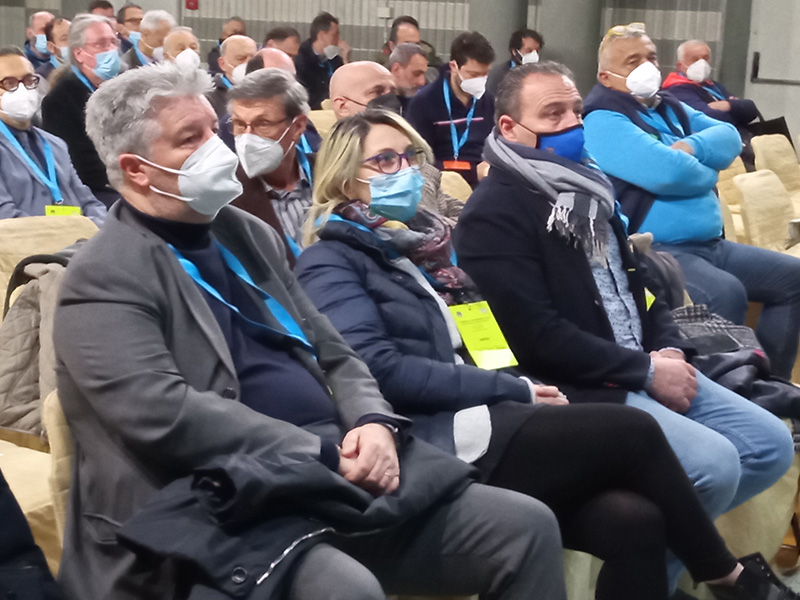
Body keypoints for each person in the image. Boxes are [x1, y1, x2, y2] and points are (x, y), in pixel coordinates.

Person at [53, 61, 566, 600]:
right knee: (345, 589)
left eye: (212, 129)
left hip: (322, 471)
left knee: (525, 525)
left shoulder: (247, 234)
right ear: (137, 170)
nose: (219, 149)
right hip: (212, 499)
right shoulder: (102, 276)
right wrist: (318, 452)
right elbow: (164, 413)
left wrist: (371, 420)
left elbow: (334, 351)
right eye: (191, 138)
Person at [295, 107, 799, 600]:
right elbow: (381, 370)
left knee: (635, 521)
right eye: (385, 160)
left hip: (494, 405)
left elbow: (501, 338)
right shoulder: (330, 260)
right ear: (345, 180)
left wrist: (525, 385)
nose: (404, 170)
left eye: (409, 156)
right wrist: (515, 388)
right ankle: (728, 577)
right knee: (634, 431)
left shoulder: (429, 246)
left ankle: (715, 577)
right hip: (431, 430)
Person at [453, 60, 795, 594]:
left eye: (575, 110)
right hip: (583, 382)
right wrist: (645, 371)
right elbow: (537, 336)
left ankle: (656, 577)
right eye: (552, 114)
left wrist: (670, 349)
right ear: (509, 128)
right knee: (715, 465)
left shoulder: (589, 187)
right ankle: (669, 579)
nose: (571, 124)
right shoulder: (493, 213)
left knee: (770, 443)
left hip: (643, 359)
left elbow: (638, 286)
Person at [583, 22, 800, 380]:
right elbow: (668, 174)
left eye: (651, 57)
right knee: (725, 293)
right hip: (660, 250)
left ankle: (772, 388)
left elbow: (728, 135)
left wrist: (690, 147)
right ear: (606, 77)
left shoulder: (668, 106)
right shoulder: (602, 120)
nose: (646, 66)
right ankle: (729, 391)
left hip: (711, 245)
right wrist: (709, 169)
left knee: (792, 279)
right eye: (632, 61)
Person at [330, 61, 464, 221]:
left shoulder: (409, 158)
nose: (390, 99)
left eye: (393, 91)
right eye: (378, 92)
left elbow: (452, 207)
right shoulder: (332, 168)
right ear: (342, 106)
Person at [0, 47, 105, 221]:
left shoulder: (55, 145)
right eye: (9, 83)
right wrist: (65, 232)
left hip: (79, 234)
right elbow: (6, 218)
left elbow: (89, 203)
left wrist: (96, 227)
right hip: (32, 237)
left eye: (28, 80)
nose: (22, 90)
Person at [229, 69, 316, 264]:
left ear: (298, 126)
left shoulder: (332, 174)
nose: (248, 138)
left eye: (263, 123)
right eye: (239, 124)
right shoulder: (226, 195)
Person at [41, 13, 122, 207]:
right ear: (79, 53)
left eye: (113, 42)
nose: (111, 50)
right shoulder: (60, 100)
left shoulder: (124, 85)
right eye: (100, 44)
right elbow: (80, 165)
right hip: (95, 189)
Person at [406, 31, 495, 187]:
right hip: (440, 183)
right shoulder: (424, 102)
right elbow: (419, 159)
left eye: (484, 75)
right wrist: (470, 173)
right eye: (473, 74)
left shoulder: (487, 101)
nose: (479, 81)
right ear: (454, 66)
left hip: (482, 182)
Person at [662, 40, 760, 169]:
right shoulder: (676, 90)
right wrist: (736, 108)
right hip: (714, 151)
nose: (701, 63)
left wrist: (728, 105)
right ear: (680, 65)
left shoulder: (713, 86)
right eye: (694, 59)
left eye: (705, 58)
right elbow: (709, 118)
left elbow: (751, 109)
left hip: (738, 143)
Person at [294, 11, 350, 110]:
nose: (338, 40)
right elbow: (302, 94)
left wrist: (346, 60)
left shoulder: (335, 60)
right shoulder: (300, 58)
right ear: (321, 36)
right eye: (335, 35)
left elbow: (347, 85)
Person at [206, 34, 257, 118]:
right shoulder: (208, 97)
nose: (248, 64)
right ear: (222, 64)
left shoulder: (266, 93)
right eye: (241, 59)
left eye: (253, 59)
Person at [487, 28, 544, 97]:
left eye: (536, 51)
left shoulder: (542, 75)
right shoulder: (498, 74)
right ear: (514, 51)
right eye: (528, 51)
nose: (534, 55)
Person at [374, 15, 440, 69]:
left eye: (416, 44)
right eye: (407, 44)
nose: (413, 49)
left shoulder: (433, 66)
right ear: (392, 46)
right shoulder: (378, 69)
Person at [34, 17, 70, 83]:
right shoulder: (42, 78)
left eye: (75, 37)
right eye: (65, 39)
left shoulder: (86, 70)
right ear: (51, 47)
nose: (73, 42)